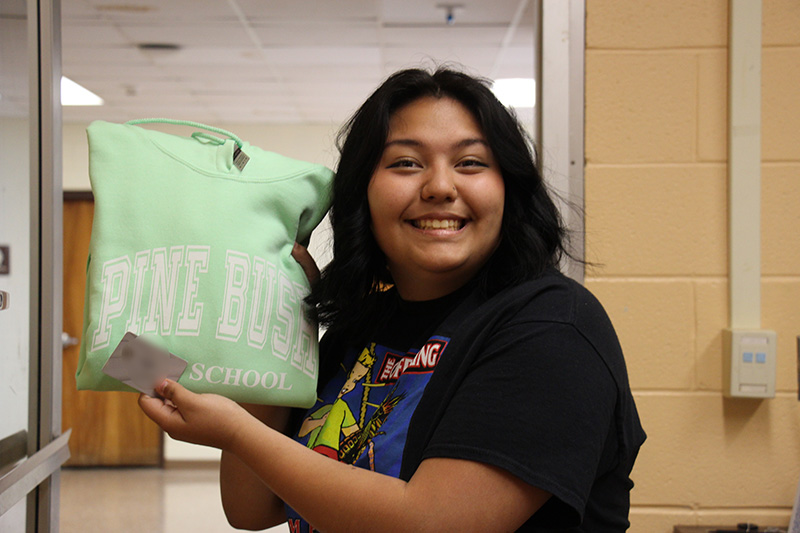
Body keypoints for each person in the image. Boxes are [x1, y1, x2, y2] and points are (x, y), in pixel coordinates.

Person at [139, 67, 646, 532]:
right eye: (406, 163)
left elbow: (432, 524)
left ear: (508, 188)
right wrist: (280, 331)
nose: (440, 186)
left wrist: (234, 432)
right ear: (364, 194)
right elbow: (252, 508)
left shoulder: (553, 328)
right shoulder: (362, 328)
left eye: (470, 163)